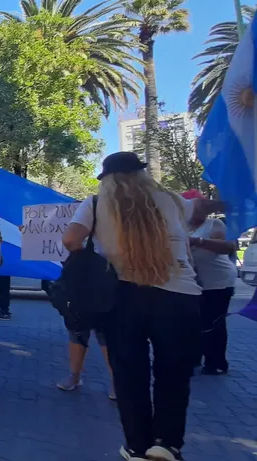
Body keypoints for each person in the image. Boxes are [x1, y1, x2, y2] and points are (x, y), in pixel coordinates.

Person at [62, 151, 222, 461]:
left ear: (107, 180)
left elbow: (71, 240)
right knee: (174, 372)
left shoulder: (96, 203)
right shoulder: (173, 200)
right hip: (179, 295)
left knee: (129, 374)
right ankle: (166, 443)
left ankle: (137, 445)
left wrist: (97, 256)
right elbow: (198, 213)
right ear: (142, 175)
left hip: (123, 296)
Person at [182, 190, 237, 376]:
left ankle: (217, 363)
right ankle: (193, 358)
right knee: (193, 321)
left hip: (218, 281)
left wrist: (198, 241)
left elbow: (229, 247)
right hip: (194, 282)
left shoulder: (214, 224)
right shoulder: (181, 226)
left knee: (213, 322)